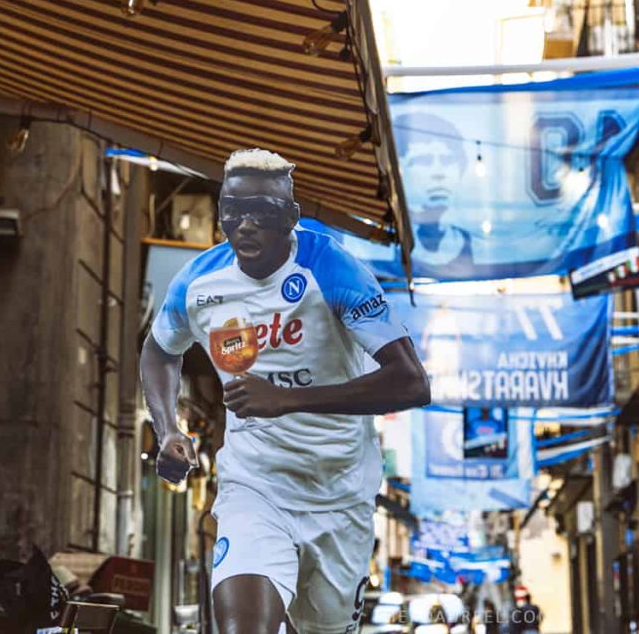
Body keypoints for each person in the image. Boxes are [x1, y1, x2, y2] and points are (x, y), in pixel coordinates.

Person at [140, 149, 431, 634]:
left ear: (291, 218)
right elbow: (158, 350)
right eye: (233, 212)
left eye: (263, 213)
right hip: (255, 487)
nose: (246, 226)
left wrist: (288, 400)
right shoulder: (198, 282)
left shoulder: (333, 268)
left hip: (339, 495)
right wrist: (167, 427)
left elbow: (411, 382)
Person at [394, 113, 475, 271]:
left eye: (448, 160)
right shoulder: (376, 248)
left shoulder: (480, 245)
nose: (438, 173)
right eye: (424, 161)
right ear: (400, 170)